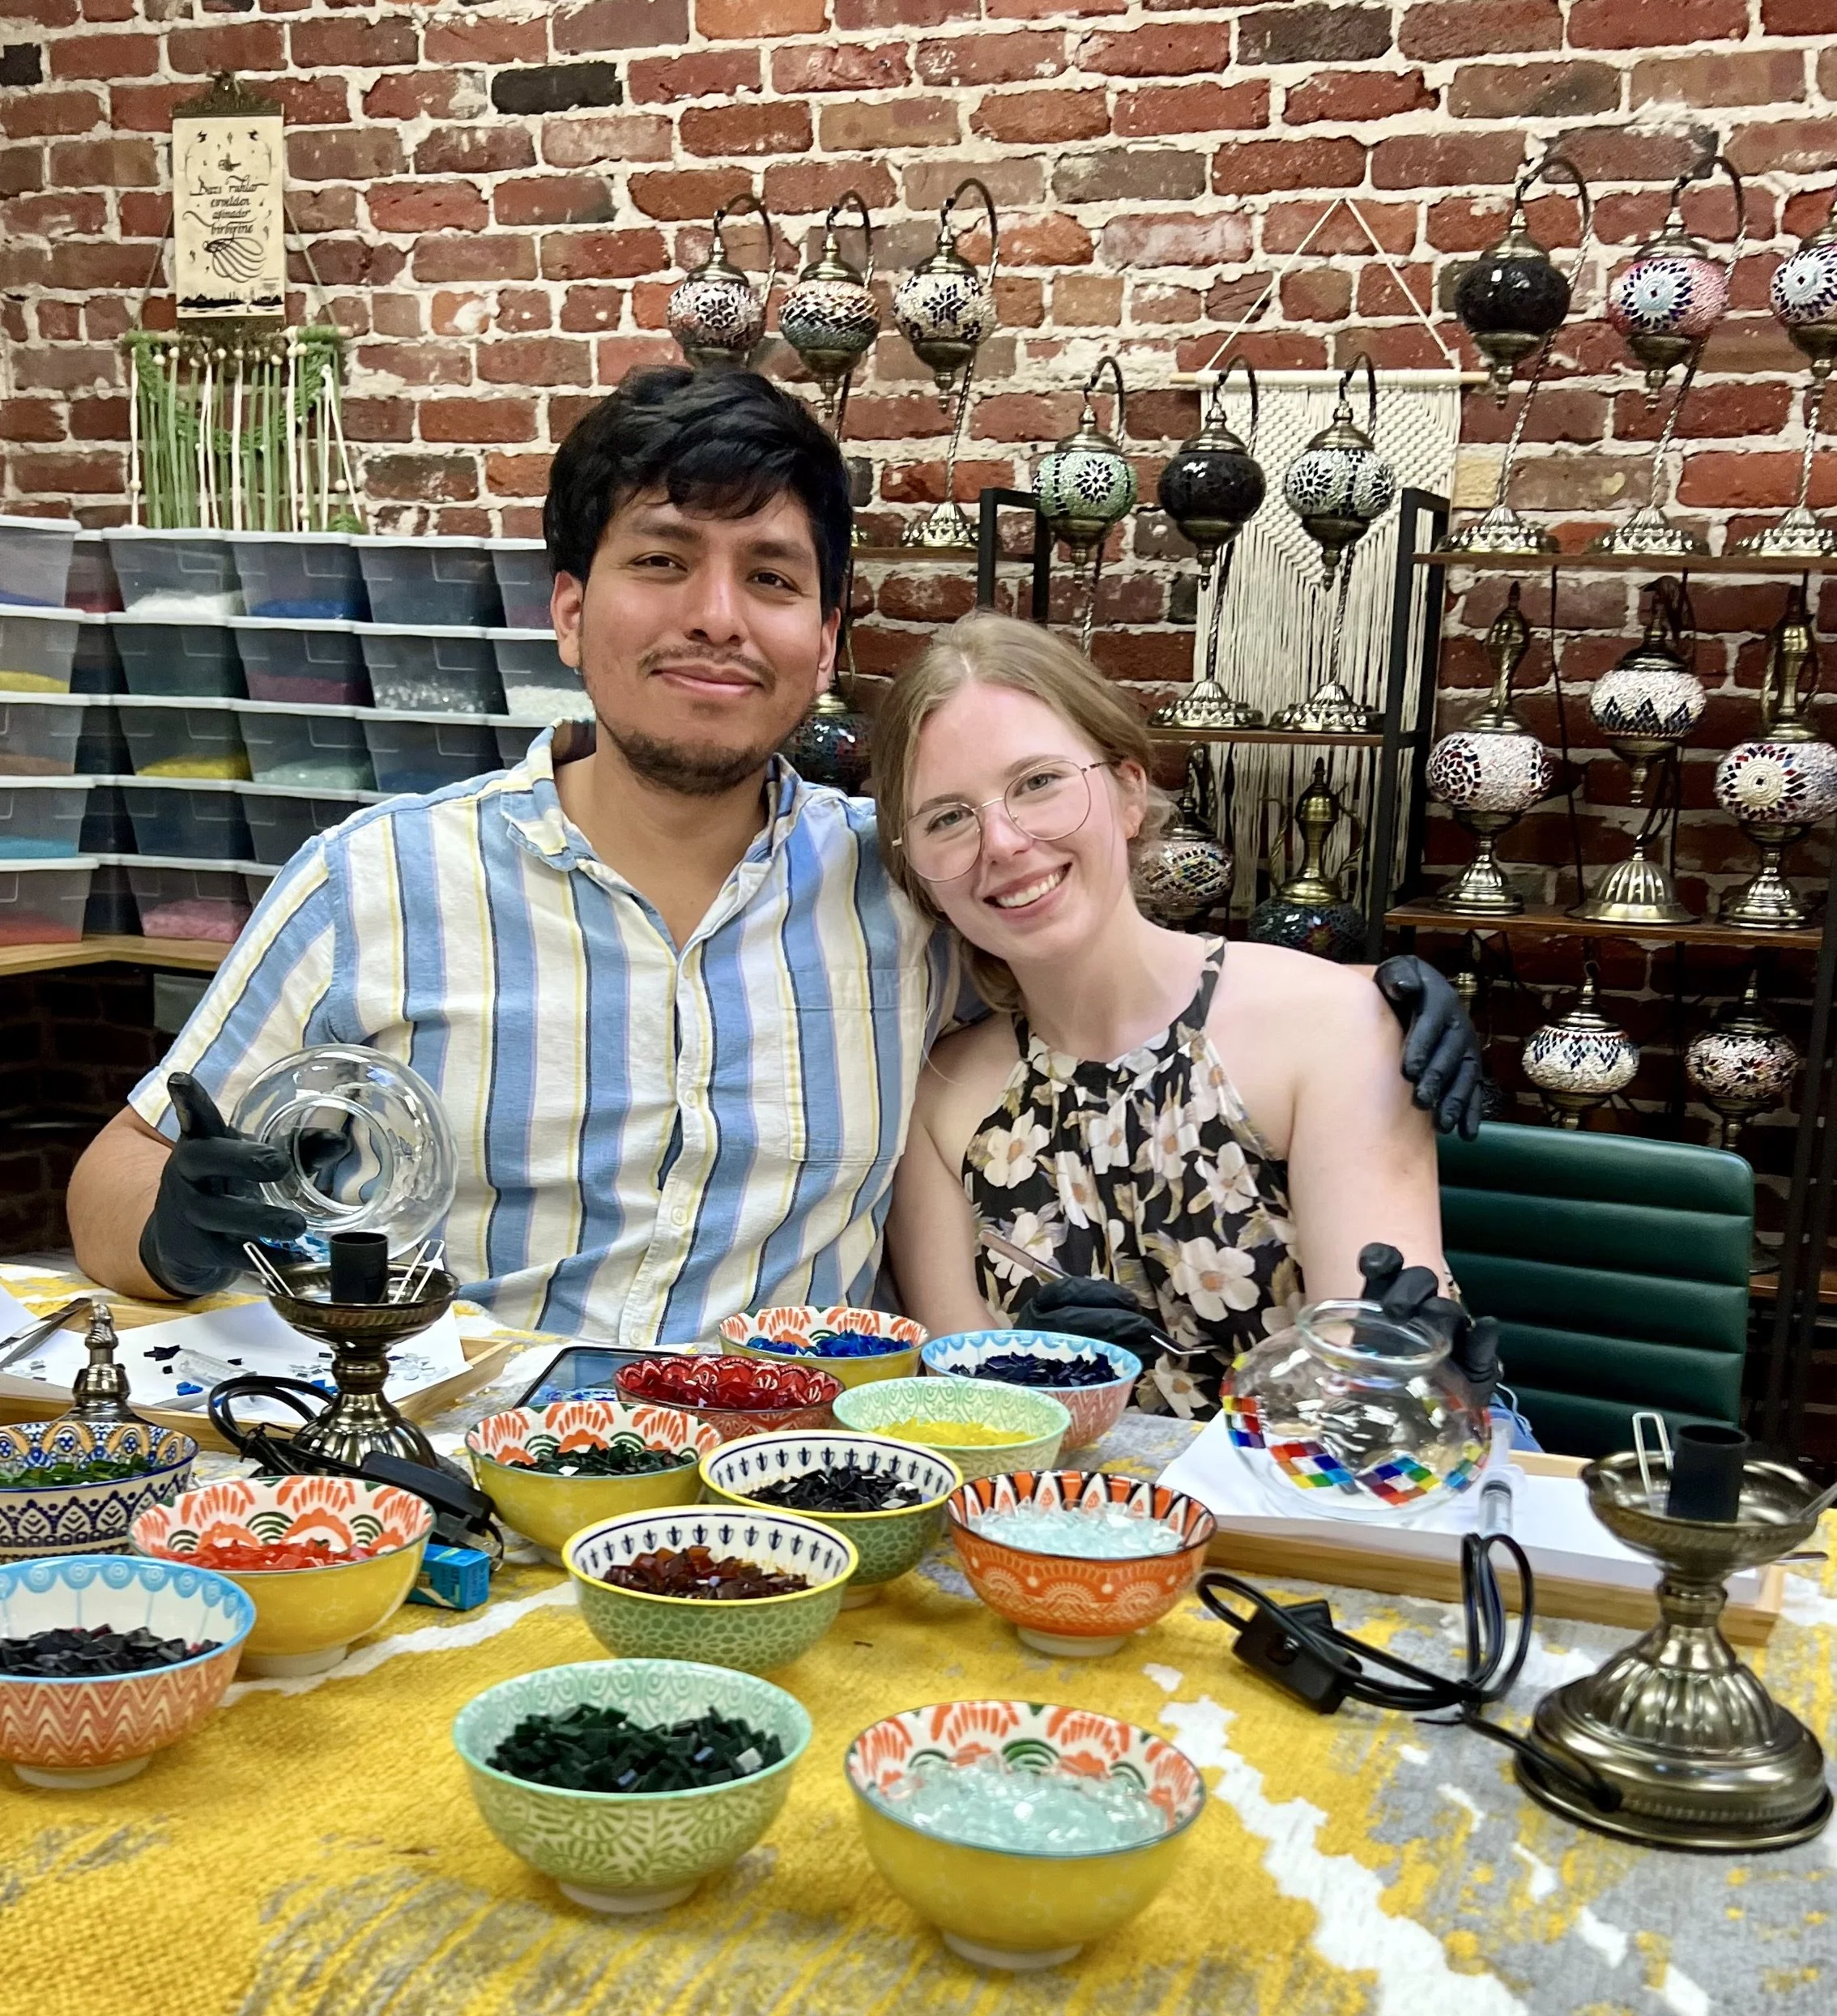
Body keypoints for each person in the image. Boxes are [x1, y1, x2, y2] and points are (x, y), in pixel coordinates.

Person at [66, 369, 1485, 1341]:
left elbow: (1089, 950)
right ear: (568, 610)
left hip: (787, 1496)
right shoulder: (371, 884)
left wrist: (1365, 985)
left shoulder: (897, 883)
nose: (716, 618)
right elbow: (112, 1184)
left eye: (770, 577)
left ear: (822, 637)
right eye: (661, 560)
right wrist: (179, 1231)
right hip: (455, 1485)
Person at [878, 616, 1491, 1418]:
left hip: (1308, 1518)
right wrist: (1021, 1381)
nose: (1003, 841)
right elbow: (957, 1415)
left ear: (1130, 793)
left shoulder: (1334, 1029)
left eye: (1038, 782)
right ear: (918, 871)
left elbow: (1379, 1395)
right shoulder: (940, 1095)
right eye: (948, 818)